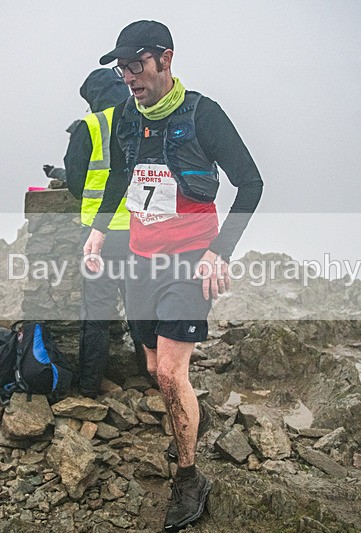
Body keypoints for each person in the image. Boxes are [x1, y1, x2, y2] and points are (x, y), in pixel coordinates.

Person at [84, 21, 263, 531]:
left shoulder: (204, 115)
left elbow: (250, 183)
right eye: (121, 68)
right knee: (151, 362)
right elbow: (120, 174)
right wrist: (99, 231)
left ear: (165, 58)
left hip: (189, 260)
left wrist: (219, 252)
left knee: (168, 373)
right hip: (141, 258)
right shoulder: (123, 114)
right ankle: (182, 410)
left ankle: (189, 476)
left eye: (135, 65)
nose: (128, 77)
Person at [62, 68, 141, 398]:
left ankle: (89, 385)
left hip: (99, 233)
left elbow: (75, 181)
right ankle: (151, 375)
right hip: (139, 232)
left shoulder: (90, 126)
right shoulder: (139, 119)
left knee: (96, 312)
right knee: (139, 306)